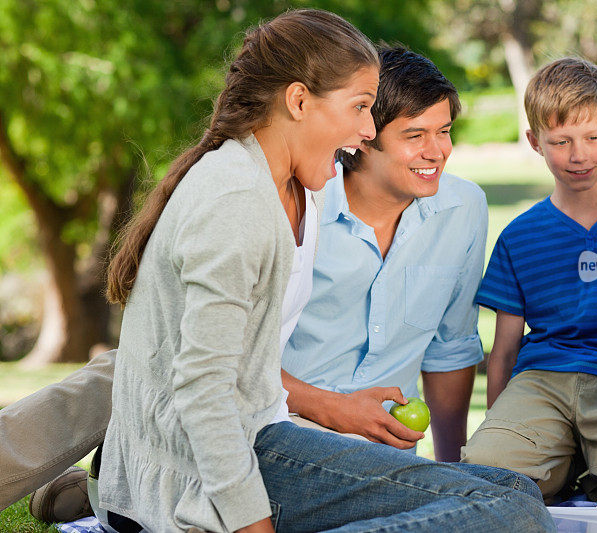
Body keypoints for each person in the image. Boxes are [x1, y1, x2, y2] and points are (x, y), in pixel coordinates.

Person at [7, 11, 556, 532]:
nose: (367, 130)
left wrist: (349, 417)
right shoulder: (236, 199)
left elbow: (241, 371)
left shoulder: (296, 191)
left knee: (515, 496)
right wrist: (251, 520)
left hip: (264, 439)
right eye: (361, 107)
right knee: (511, 512)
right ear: (298, 101)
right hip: (222, 466)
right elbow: (205, 393)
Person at [460, 57, 597, 502]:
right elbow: (503, 351)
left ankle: (584, 469)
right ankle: (567, 462)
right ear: (534, 142)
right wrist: (503, 422)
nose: (579, 155)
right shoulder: (519, 235)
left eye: (592, 137)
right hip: (542, 381)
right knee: (487, 477)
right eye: (560, 141)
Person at [281, 45, 486, 461]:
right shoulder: (300, 207)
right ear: (362, 139)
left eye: (443, 131)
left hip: (389, 454)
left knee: (506, 498)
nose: (437, 151)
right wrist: (340, 412)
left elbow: (451, 347)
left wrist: (450, 471)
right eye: (414, 135)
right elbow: (240, 359)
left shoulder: (464, 209)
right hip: (285, 433)